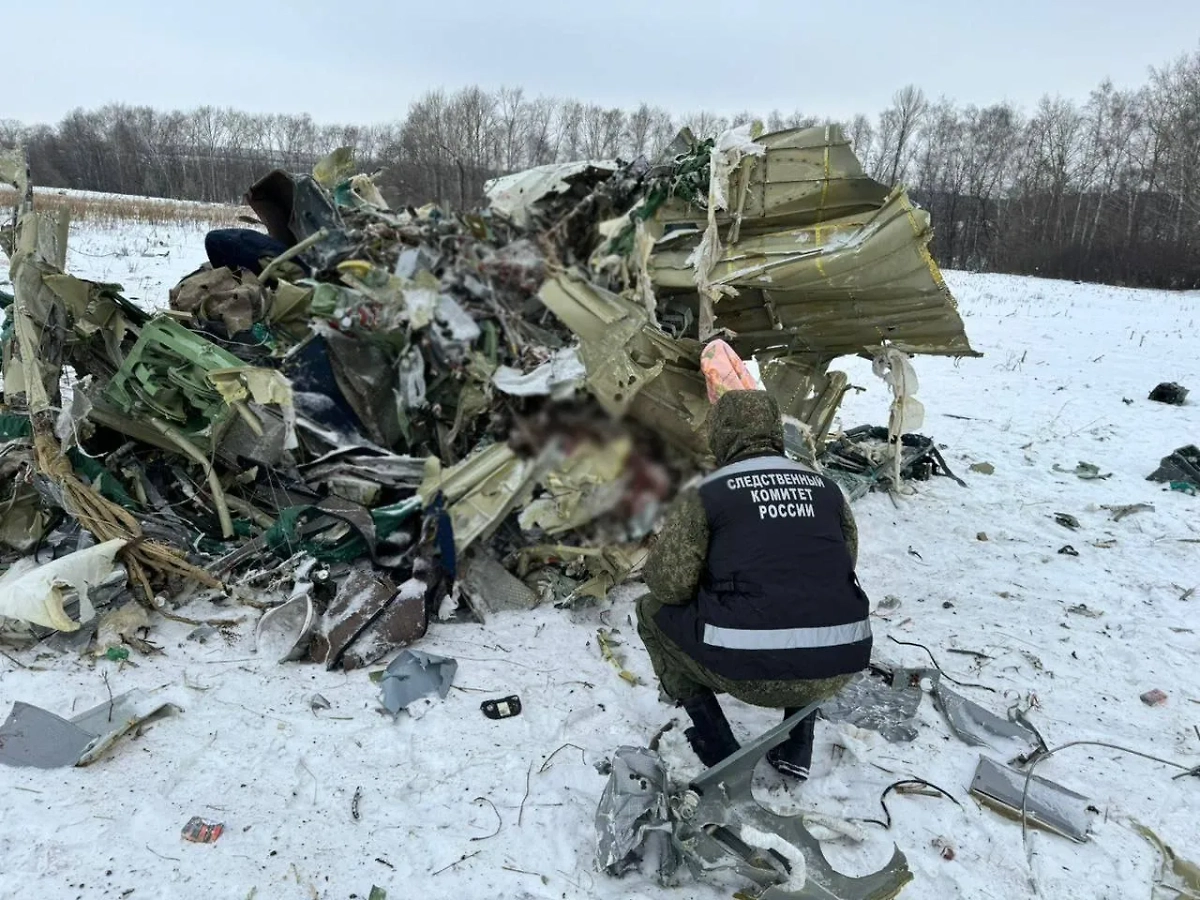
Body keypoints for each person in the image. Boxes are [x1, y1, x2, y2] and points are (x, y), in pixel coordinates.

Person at [636, 390, 872, 780]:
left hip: (748, 674)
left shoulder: (709, 494)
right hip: (840, 664)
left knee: (649, 612)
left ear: (720, 434)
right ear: (774, 430)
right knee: (811, 603)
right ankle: (798, 744)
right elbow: (842, 566)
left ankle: (718, 746)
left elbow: (668, 587)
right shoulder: (826, 489)